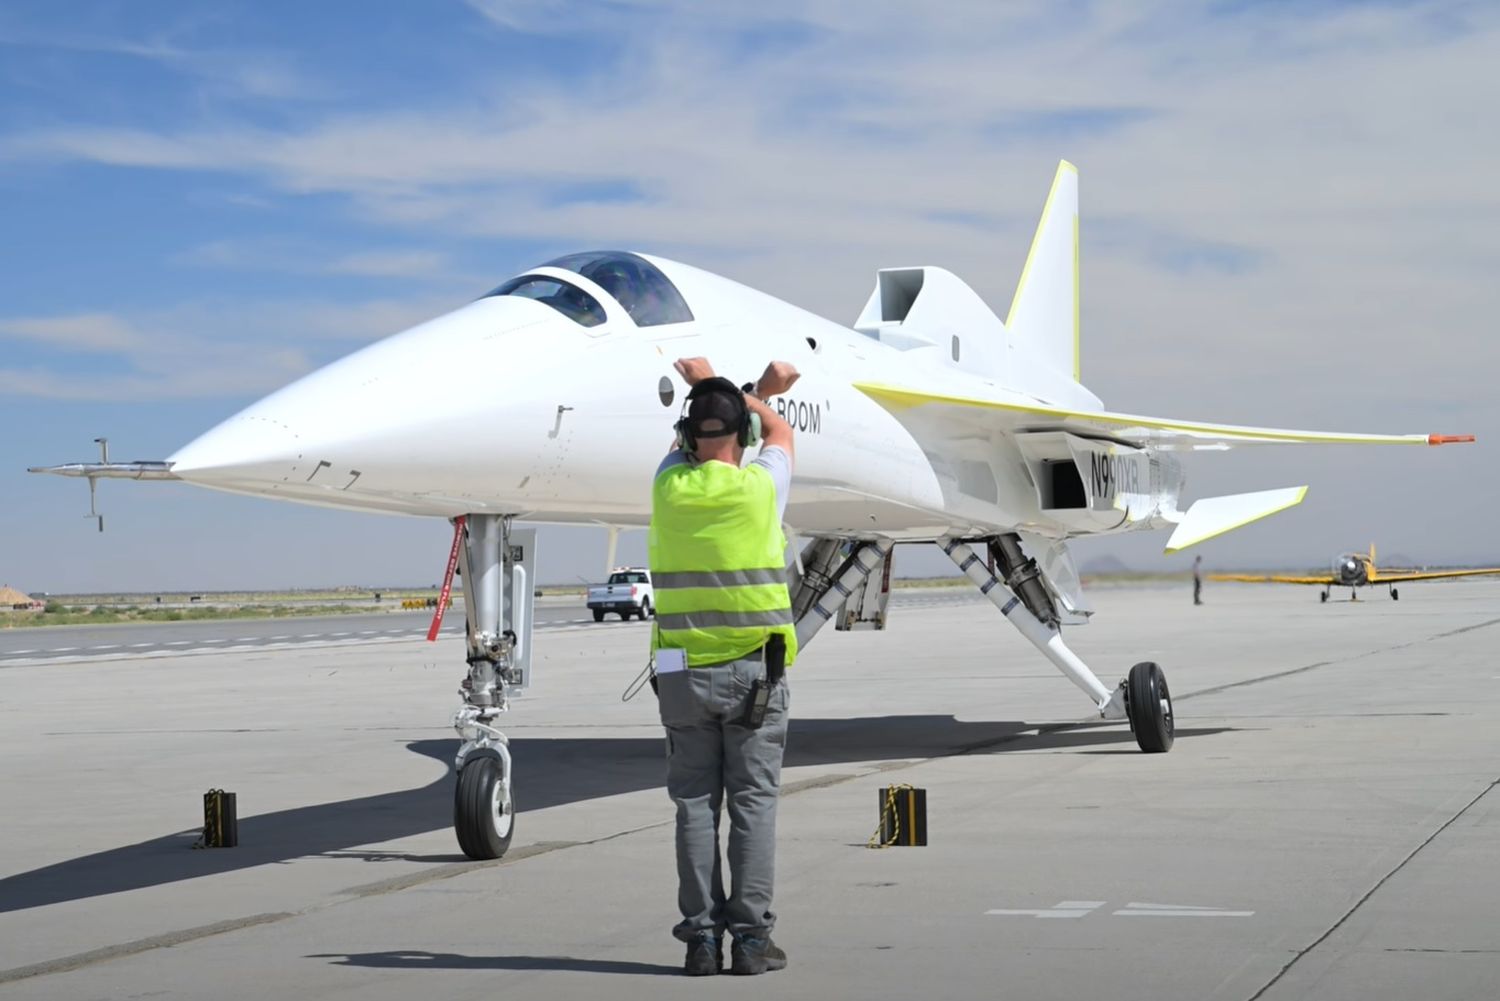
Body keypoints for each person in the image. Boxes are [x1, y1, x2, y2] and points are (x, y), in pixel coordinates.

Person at [648, 355, 800, 976]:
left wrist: (704, 394)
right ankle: (753, 942)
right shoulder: (760, 488)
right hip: (753, 676)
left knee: (693, 805)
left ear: (686, 437)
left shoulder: (667, 487)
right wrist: (755, 394)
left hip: (681, 675)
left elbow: (684, 442)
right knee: (753, 804)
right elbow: (782, 434)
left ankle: (702, 942)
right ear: (743, 437)